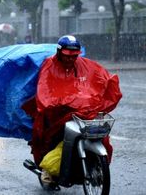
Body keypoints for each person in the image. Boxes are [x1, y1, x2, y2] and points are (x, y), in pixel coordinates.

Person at [23, 35, 122, 184]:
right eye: (67, 56)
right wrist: (58, 102)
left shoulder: (85, 64)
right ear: (59, 52)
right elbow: (45, 90)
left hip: (81, 111)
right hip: (57, 113)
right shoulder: (49, 66)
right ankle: (46, 170)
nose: (70, 59)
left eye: (74, 56)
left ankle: (94, 166)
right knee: (52, 137)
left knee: (99, 134)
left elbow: (101, 78)